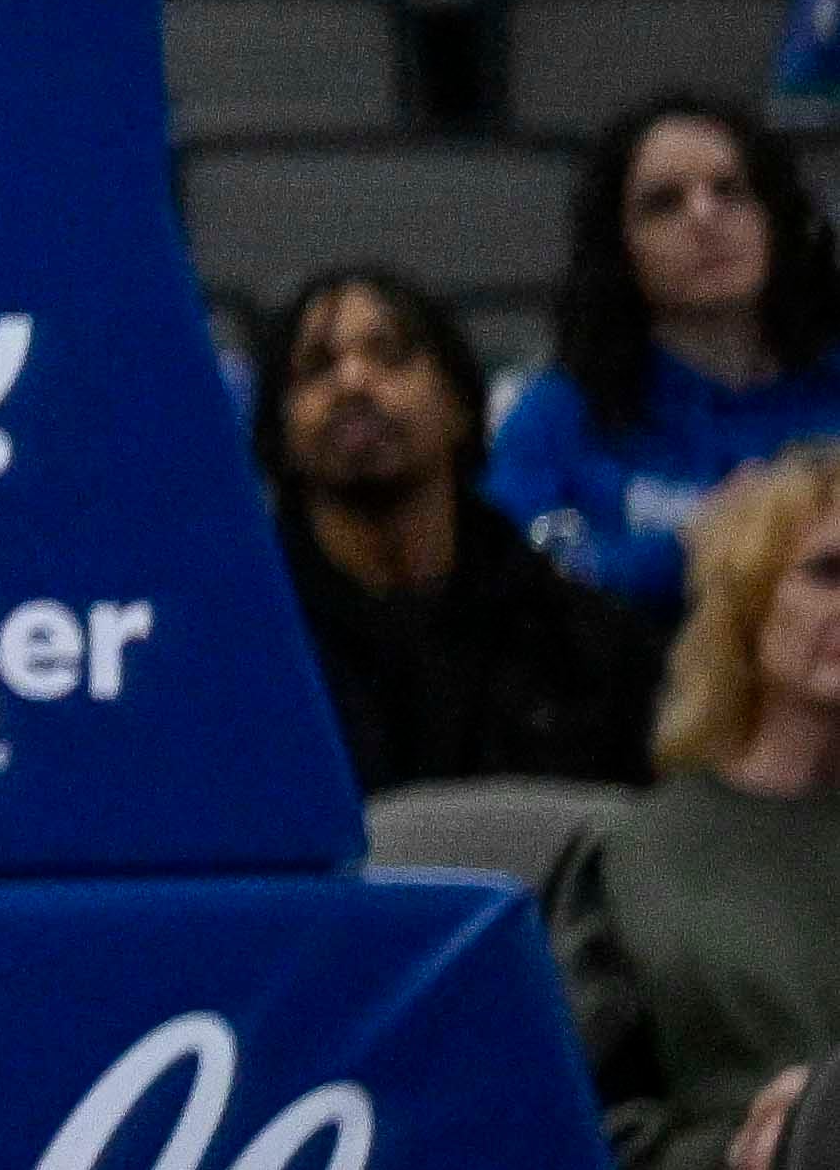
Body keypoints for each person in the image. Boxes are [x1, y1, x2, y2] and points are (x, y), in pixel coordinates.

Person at [558, 443, 840, 1170]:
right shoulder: (636, 857)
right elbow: (569, 1134)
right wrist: (740, 1139)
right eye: (827, 572)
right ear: (748, 602)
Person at [265, 261, 674, 793]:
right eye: (317, 367)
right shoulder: (238, 652)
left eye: (390, 355)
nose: (353, 382)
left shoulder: (591, 650)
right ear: (279, 434)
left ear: (460, 405)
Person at [492, 98, 840, 615]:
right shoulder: (553, 414)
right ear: (620, 248)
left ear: (776, 221)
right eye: (664, 203)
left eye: (731, 191)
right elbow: (504, 586)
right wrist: (688, 547)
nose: (704, 216)